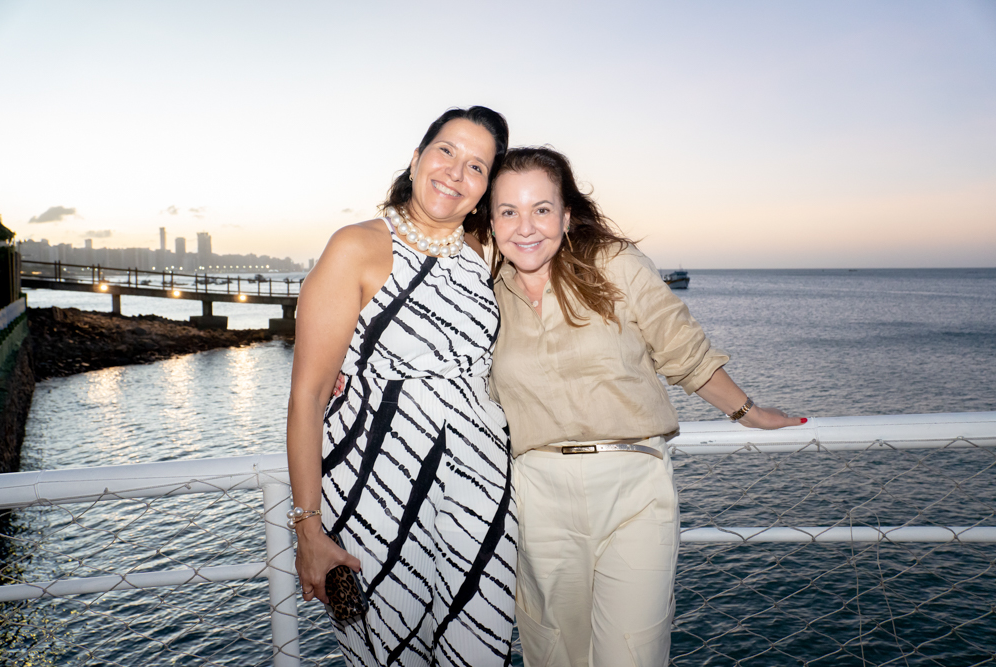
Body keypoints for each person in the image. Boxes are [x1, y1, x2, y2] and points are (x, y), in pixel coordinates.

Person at [487, 146, 805, 667]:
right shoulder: (482, 292)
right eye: (509, 211)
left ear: (566, 216)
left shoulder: (614, 265)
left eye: (541, 209)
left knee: (634, 654)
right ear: (492, 220)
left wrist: (748, 411)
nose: (526, 226)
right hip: (534, 495)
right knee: (554, 653)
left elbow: (682, 350)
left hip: (634, 488)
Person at [286, 107, 517, 667]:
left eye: (476, 167)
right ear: (415, 159)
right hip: (375, 484)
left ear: (486, 187)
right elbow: (308, 396)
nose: (455, 173)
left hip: (480, 485)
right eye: (445, 151)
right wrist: (308, 528)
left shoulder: (486, 254)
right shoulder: (357, 246)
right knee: (390, 652)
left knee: (479, 650)